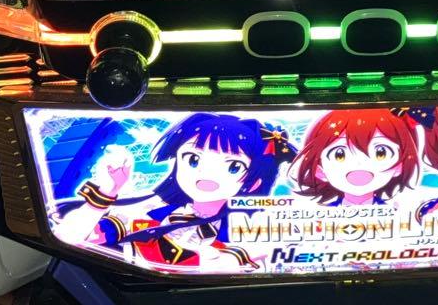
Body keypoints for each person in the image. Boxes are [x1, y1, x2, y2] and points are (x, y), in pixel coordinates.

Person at [52, 113, 294, 272]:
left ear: (254, 182)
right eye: (193, 159)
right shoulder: (149, 212)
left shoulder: (248, 234)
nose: (206, 173)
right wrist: (107, 192)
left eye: (233, 166)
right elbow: (69, 237)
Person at [290, 107, 438, 206]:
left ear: (399, 166)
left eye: (380, 153)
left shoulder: (399, 214)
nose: (359, 163)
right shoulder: (317, 218)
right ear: (319, 170)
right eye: (339, 155)